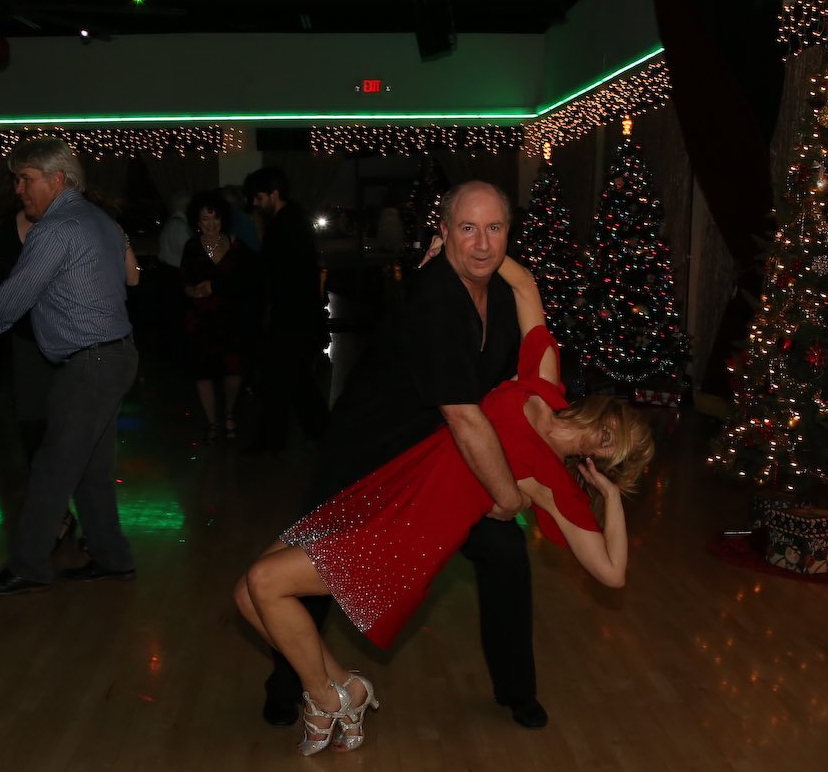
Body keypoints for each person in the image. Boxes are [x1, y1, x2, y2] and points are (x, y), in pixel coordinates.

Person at [237, 256, 649, 755]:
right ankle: (345, 687)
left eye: (616, 451)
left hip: (408, 535)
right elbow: (524, 285)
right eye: (615, 431)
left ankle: (325, 697)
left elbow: (612, 573)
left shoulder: (553, 486)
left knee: (266, 583)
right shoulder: (542, 383)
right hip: (386, 489)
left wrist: (611, 496)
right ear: (607, 410)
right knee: (247, 595)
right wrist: (461, 244)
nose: (606, 442)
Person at [261, 181, 558, 731]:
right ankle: (290, 684)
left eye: (494, 228)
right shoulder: (433, 298)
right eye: (467, 228)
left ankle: (517, 691)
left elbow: (513, 390)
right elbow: (464, 414)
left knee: (505, 554)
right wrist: (507, 496)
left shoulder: (499, 294)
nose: (482, 243)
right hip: (368, 456)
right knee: (309, 569)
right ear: (442, 233)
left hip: (441, 461)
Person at [0, 138, 137, 595]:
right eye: (17, 179)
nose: (18, 189)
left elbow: (14, 297)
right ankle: (111, 558)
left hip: (91, 363)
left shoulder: (55, 229)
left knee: (52, 467)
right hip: (114, 356)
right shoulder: (98, 220)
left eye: (26, 179)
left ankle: (29, 565)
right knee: (90, 469)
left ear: (57, 179)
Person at [243, 166, 329, 453]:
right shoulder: (290, 220)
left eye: (258, 197)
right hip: (294, 315)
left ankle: (273, 441)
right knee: (294, 378)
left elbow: (279, 273)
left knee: (279, 379)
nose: (256, 204)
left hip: (291, 316)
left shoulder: (286, 225)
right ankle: (320, 430)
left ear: (274, 194)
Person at [179, 189, 253, 441]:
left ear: (223, 219)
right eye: (205, 219)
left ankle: (229, 413)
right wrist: (190, 290)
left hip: (231, 319)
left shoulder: (235, 244)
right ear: (197, 222)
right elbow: (184, 279)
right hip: (200, 320)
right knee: (203, 372)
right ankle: (212, 422)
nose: (211, 224)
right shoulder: (191, 247)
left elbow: (248, 280)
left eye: (215, 218)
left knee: (235, 371)